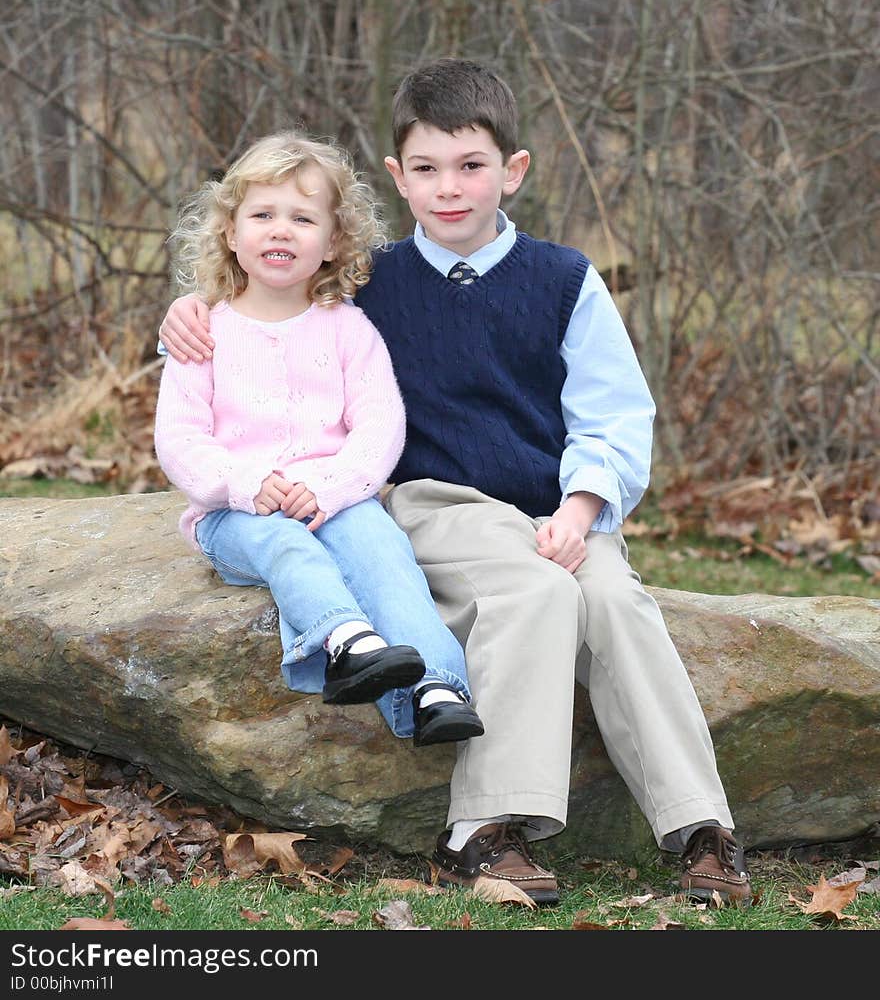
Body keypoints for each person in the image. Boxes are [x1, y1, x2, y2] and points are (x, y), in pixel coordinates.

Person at [159, 64, 751, 908]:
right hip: (438, 503)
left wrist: (583, 510)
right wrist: (187, 310)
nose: (449, 187)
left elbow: (615, 414)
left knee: (616, 603)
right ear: (398, 178)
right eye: (427, 168)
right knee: (537, 593)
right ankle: (486, 826)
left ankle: (701, 826)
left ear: (512, 171)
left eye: (471, 165)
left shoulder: (564, 279)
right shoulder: (369, 282)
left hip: (557, 507)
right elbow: (269, 295)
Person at [154, 129, 484, 751]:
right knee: (286, 547)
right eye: (262, 214)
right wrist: (245, 484)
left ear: (333, 241)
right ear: (229, 230)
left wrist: (331, 489)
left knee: (387, 561)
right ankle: (343, 643)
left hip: (336, 500)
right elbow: (179, 439)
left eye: (302, 218)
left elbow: (380, 425)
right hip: (233, 512)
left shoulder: (348, 329)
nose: (281, 230)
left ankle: (439, 688)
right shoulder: (204, 333)